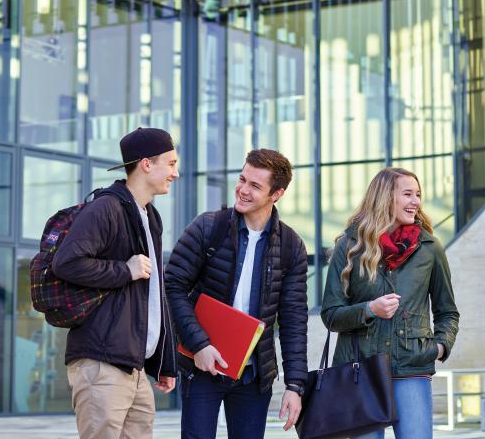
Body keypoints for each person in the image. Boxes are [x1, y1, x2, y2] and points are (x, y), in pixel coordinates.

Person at [165, 148, 309, 439]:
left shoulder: (292, 247)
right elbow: (172, 286)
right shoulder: (208, 227)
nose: (242, 190)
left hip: (253, 376)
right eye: (242, 179)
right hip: (203, 365)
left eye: (255, 186)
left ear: (276, 194)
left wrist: (295, 386)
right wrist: (199, 344)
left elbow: (294, 320)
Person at [51, 127, 179, 439]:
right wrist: (125, 270)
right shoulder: (106, 207)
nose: (176, 173)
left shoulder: (150, 216)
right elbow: (66, 262)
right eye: (171, 163)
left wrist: (165, 360)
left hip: (133, 367)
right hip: (101, 363)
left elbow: (153, 294)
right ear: (147, 164)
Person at [320, 167, 459, 439]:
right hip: (361, 370)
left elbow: (447, 311)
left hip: (412, 367)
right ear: (385, 198)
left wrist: (440, 347)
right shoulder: (349, 247)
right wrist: (369, 309)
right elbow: (330, 315)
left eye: (418, 195)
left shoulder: (429, 248)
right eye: (408, 194)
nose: (416, 202)